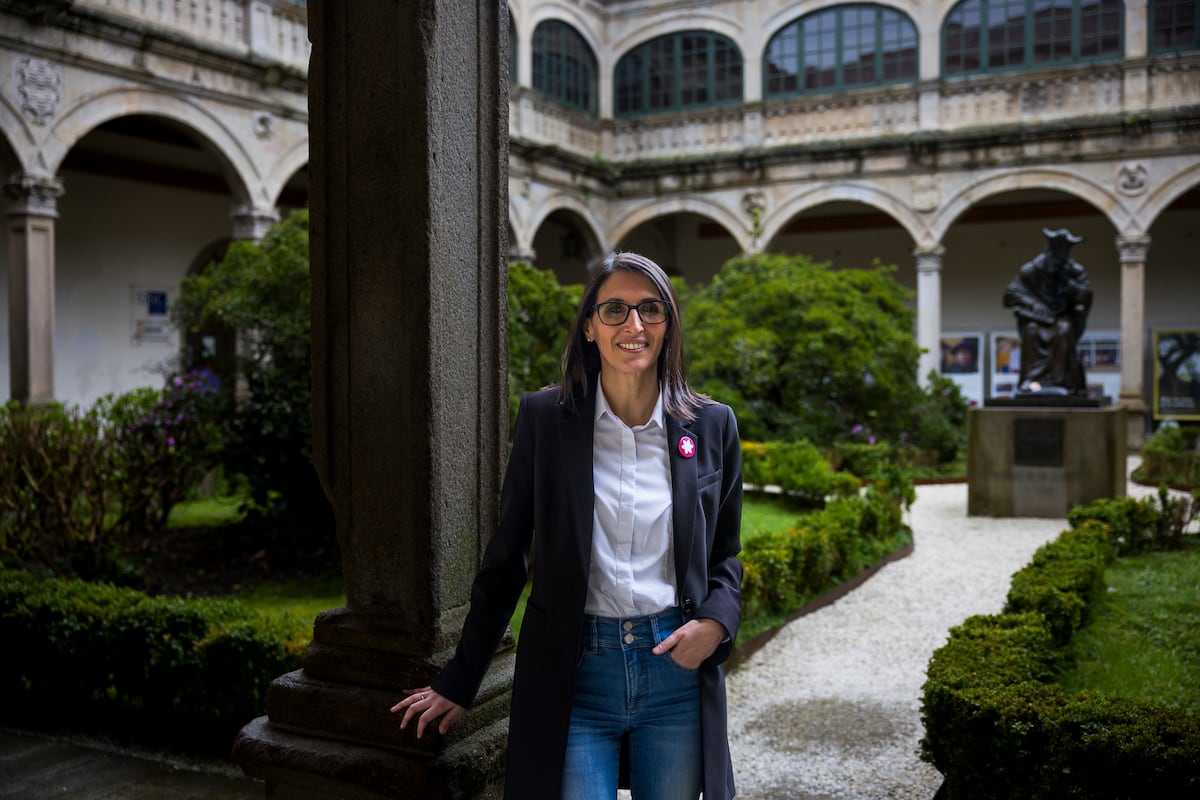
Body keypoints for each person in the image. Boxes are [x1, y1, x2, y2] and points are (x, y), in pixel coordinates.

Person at [391, 251, 744, 799]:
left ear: (668, 324)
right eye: (615, 310)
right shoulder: (545, 421)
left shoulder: (712, 425)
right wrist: (460, 680)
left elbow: (725, 555)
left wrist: (716, 625)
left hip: (675, 670)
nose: (634, 325)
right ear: (589, 327)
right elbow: (507, 559)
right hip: (575, 674)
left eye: (651, 309)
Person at [1002, 228, 1093, 395]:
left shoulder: (1074, 271)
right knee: (1031, 331)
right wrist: (1031, 301)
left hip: (1062, 316)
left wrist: (1071, 286)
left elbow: (1085, 295)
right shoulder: (1031, 270)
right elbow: (1011, 292)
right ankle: (1031, 380)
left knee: (1064, 330)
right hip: (1038, 318)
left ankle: (1060, 382)